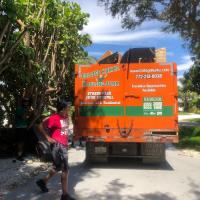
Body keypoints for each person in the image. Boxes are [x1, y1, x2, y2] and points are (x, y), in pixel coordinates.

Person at [36, 100, 75, 200]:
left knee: (57, 167)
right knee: (65, 169)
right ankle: (64, 195)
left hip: (64, 145)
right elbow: (40, 126)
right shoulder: (54, 118)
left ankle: (43, 182)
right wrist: (48, 138)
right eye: (67, 107)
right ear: (62, 109)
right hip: (58, 146)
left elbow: (64, 130)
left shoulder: (65, 117)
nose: (69, 108)